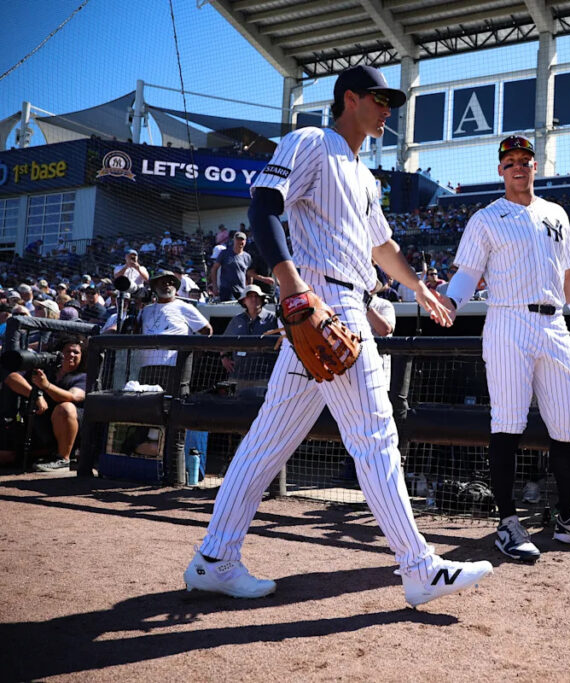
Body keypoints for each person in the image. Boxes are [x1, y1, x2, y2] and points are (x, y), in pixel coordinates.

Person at [186, 65, 492, 606]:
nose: (387, 109)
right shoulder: (311, 141)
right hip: (324, 300)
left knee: (266, 443)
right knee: (375, 435)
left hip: (342, 301)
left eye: (389, 101)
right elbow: (263, 205)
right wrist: (292, 288)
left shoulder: (366, 176)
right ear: (349, 98)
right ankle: (418, 566)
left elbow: (382, 247)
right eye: (378, 98)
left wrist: (418, 288)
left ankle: (215, 558)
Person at [440, 134, 570, 564]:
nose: (519, 166)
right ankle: (507, 521)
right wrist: (448, 303)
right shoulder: (486, 218)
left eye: (525, 160)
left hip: (555, 323)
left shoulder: (555, 213)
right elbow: (468, 274)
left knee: (567, 425)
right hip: (507, 320)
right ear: (500, 170)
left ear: (536, 166)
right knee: (508, 422)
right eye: (510, 161)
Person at [1, 336, 87, 472]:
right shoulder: (45, 369)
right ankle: (41, 455)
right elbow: (11, 378)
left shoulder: (82, 377)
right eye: (67, 351)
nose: (71, 355)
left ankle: (62, 460)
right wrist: (36, 395)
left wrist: (46, 386)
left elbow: (73, 397)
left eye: (76, 352)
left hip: (68, 429)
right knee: (5, 456)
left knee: (65, 407)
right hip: (39, 427)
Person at [220, 285, 277, 392]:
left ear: (262, 299)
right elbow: (224, 342)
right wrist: (224, 357)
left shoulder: (273, 319)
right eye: (250, 296)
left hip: (264, 376)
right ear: (244, 301)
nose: (254, 299)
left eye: (257, 296)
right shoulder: (236, 320)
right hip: (238, 376)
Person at [209, 232, 253, 302]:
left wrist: (250, 288)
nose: (240, 242)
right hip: (226, 290)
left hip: (241, 291)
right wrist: (215, 286)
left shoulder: (247, 256)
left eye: (242, 240)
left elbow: (250, 274)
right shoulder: (224, 253)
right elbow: (214, 269)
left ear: (245, 241)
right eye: (238, 239)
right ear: (234, 240)